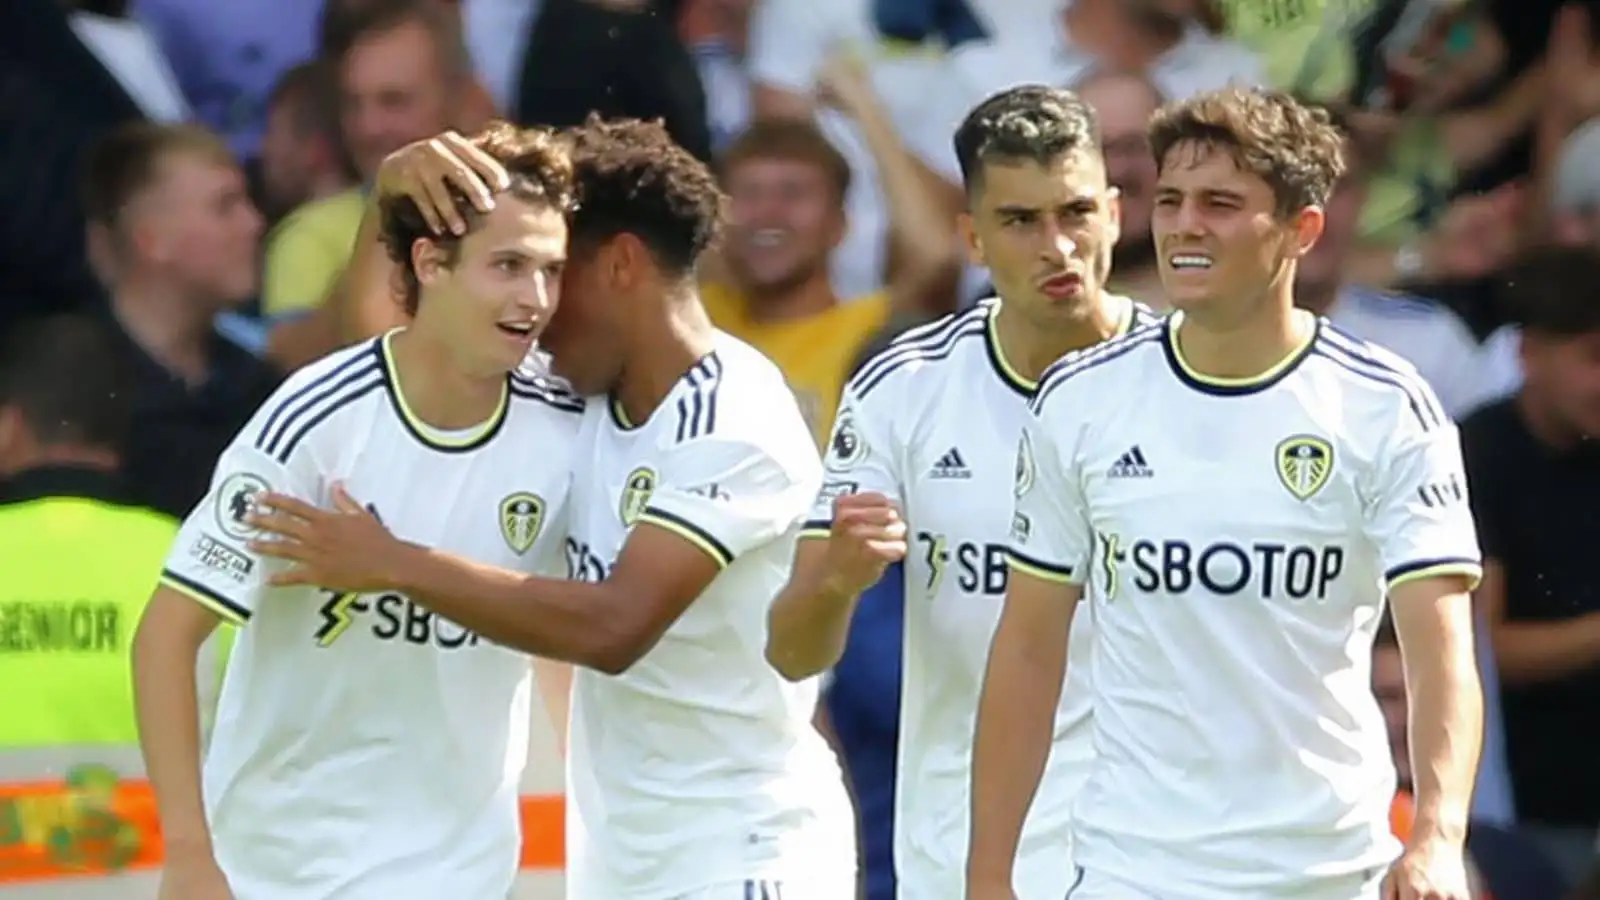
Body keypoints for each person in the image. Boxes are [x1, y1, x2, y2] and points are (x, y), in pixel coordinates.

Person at [242, 116, 855, 900]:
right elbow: (401, 339)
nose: (537, 306)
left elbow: (615, 627)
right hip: (623, 859)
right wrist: (390, 194)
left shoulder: (735, 421)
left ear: (622, 265)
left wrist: (391, 563)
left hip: (741, 851)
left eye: (558, 271)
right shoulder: (586, 396)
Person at [969, 87, 1485, 900]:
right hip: (1131, 869)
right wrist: (988, 875)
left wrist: (1437, 836)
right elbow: (1028, 648)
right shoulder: (1080, 400)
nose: (1183, 225)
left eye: (1221, 203)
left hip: (1326, 869)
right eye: (1170, 200)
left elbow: (1440, 649)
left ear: (1300, 230)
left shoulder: (1384, 405)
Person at [130, 121, 582, 900]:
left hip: (459, 874)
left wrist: (596, 824)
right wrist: (189, 855)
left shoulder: (569, 426)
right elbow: (167, 637)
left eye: (551, 269)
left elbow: (564, 635)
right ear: (431, 263)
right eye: (508, 265)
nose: (534, 298)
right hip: (278, 869)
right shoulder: (317, 419)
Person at [763, 84, 1158, 900]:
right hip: (962, 859)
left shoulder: (1195, 382)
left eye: (1076, 212)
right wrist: (837, 577)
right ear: (971, 237)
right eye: (1019, 221)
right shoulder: (902, 390)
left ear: (1115, 215)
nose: (1057, 247)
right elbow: (793, 651)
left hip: (1154, 850)